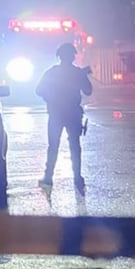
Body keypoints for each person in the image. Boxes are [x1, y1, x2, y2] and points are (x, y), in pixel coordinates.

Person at [36, 43, 93, 193]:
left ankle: (48, 178)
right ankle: (77, 178)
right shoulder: (77, 73)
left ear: (59, 57)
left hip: (56, 113)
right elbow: (88, 91)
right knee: (75, 146)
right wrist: (82, 75)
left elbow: (39, 90)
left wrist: (51, 98)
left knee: (53, 146)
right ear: (72, 56)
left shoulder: (52, 72)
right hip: (73, 114)